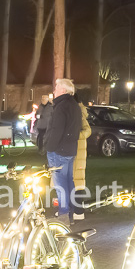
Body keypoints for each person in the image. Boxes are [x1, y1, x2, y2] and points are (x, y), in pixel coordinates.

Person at [44, 79, 81, 222]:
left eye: (57, 88)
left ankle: (64, 216)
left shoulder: (61, 107)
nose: (54, 91)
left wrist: (49, 148)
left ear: (64, 90)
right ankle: (70, 213)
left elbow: (56, 130)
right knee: (69, 182)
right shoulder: (74, 105)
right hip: (70, 150)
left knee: (60, 185)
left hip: (59, 150)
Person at [72, 93, 92, 221]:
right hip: (75, 151)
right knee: (73, 180)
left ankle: (78, 211)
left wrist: (75, 136)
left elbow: (87, 130)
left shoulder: (78, 113)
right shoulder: (77, 111)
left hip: (78, 151)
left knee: (78, 180)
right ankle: (74, 210)